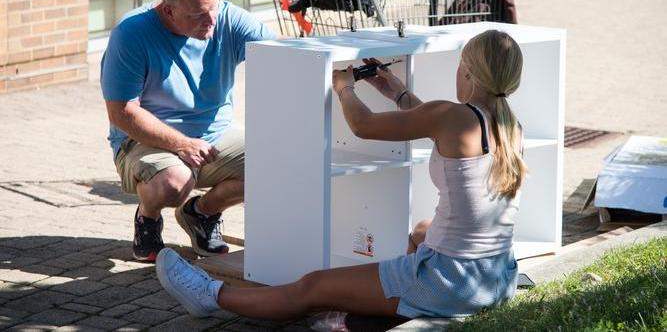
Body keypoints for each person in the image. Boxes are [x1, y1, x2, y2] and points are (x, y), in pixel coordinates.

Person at [155, 29, 526, 320]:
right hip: (495, 277)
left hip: (450, 284)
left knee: (312, 287)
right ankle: (394, 301)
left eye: (460, 66)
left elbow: (363, 125)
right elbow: (430, 123)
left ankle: (210, 296)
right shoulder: (510, 126)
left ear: (470, 74)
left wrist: (344, 88)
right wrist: (395, 91)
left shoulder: (453, 115)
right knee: (422, 230)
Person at [100, 0, 276, 262]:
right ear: (169, 11)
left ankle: (200, 213)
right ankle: (148, 219)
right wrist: (182, 144)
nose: (211, 21)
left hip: (214, 136)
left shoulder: (227, 19)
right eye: (198, 15)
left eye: (214, 9)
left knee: (280, 165)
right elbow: (122, 113)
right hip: (144, 141)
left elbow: (282, 55)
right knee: (174, 183)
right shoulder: (131, 34)